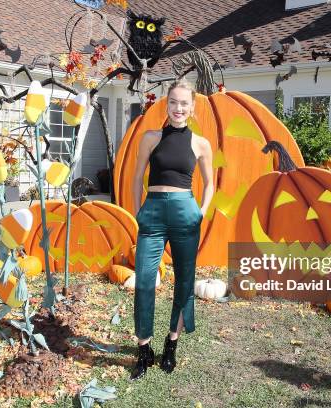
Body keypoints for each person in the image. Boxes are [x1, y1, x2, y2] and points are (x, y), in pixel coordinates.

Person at [130, 78, 214, 380]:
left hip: (185, 214)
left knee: (184, 281)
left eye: (184, 104)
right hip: (152, 213)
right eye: (173, 102)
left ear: (192, 108)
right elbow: (137, 175)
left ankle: (171, 344)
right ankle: (144, 350)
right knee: (143, 282)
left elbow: (210, 183)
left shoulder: (200, 143)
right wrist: (138, 211)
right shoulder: (150, 137)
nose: (178, 108)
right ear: (166, 104)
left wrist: (200, 213)